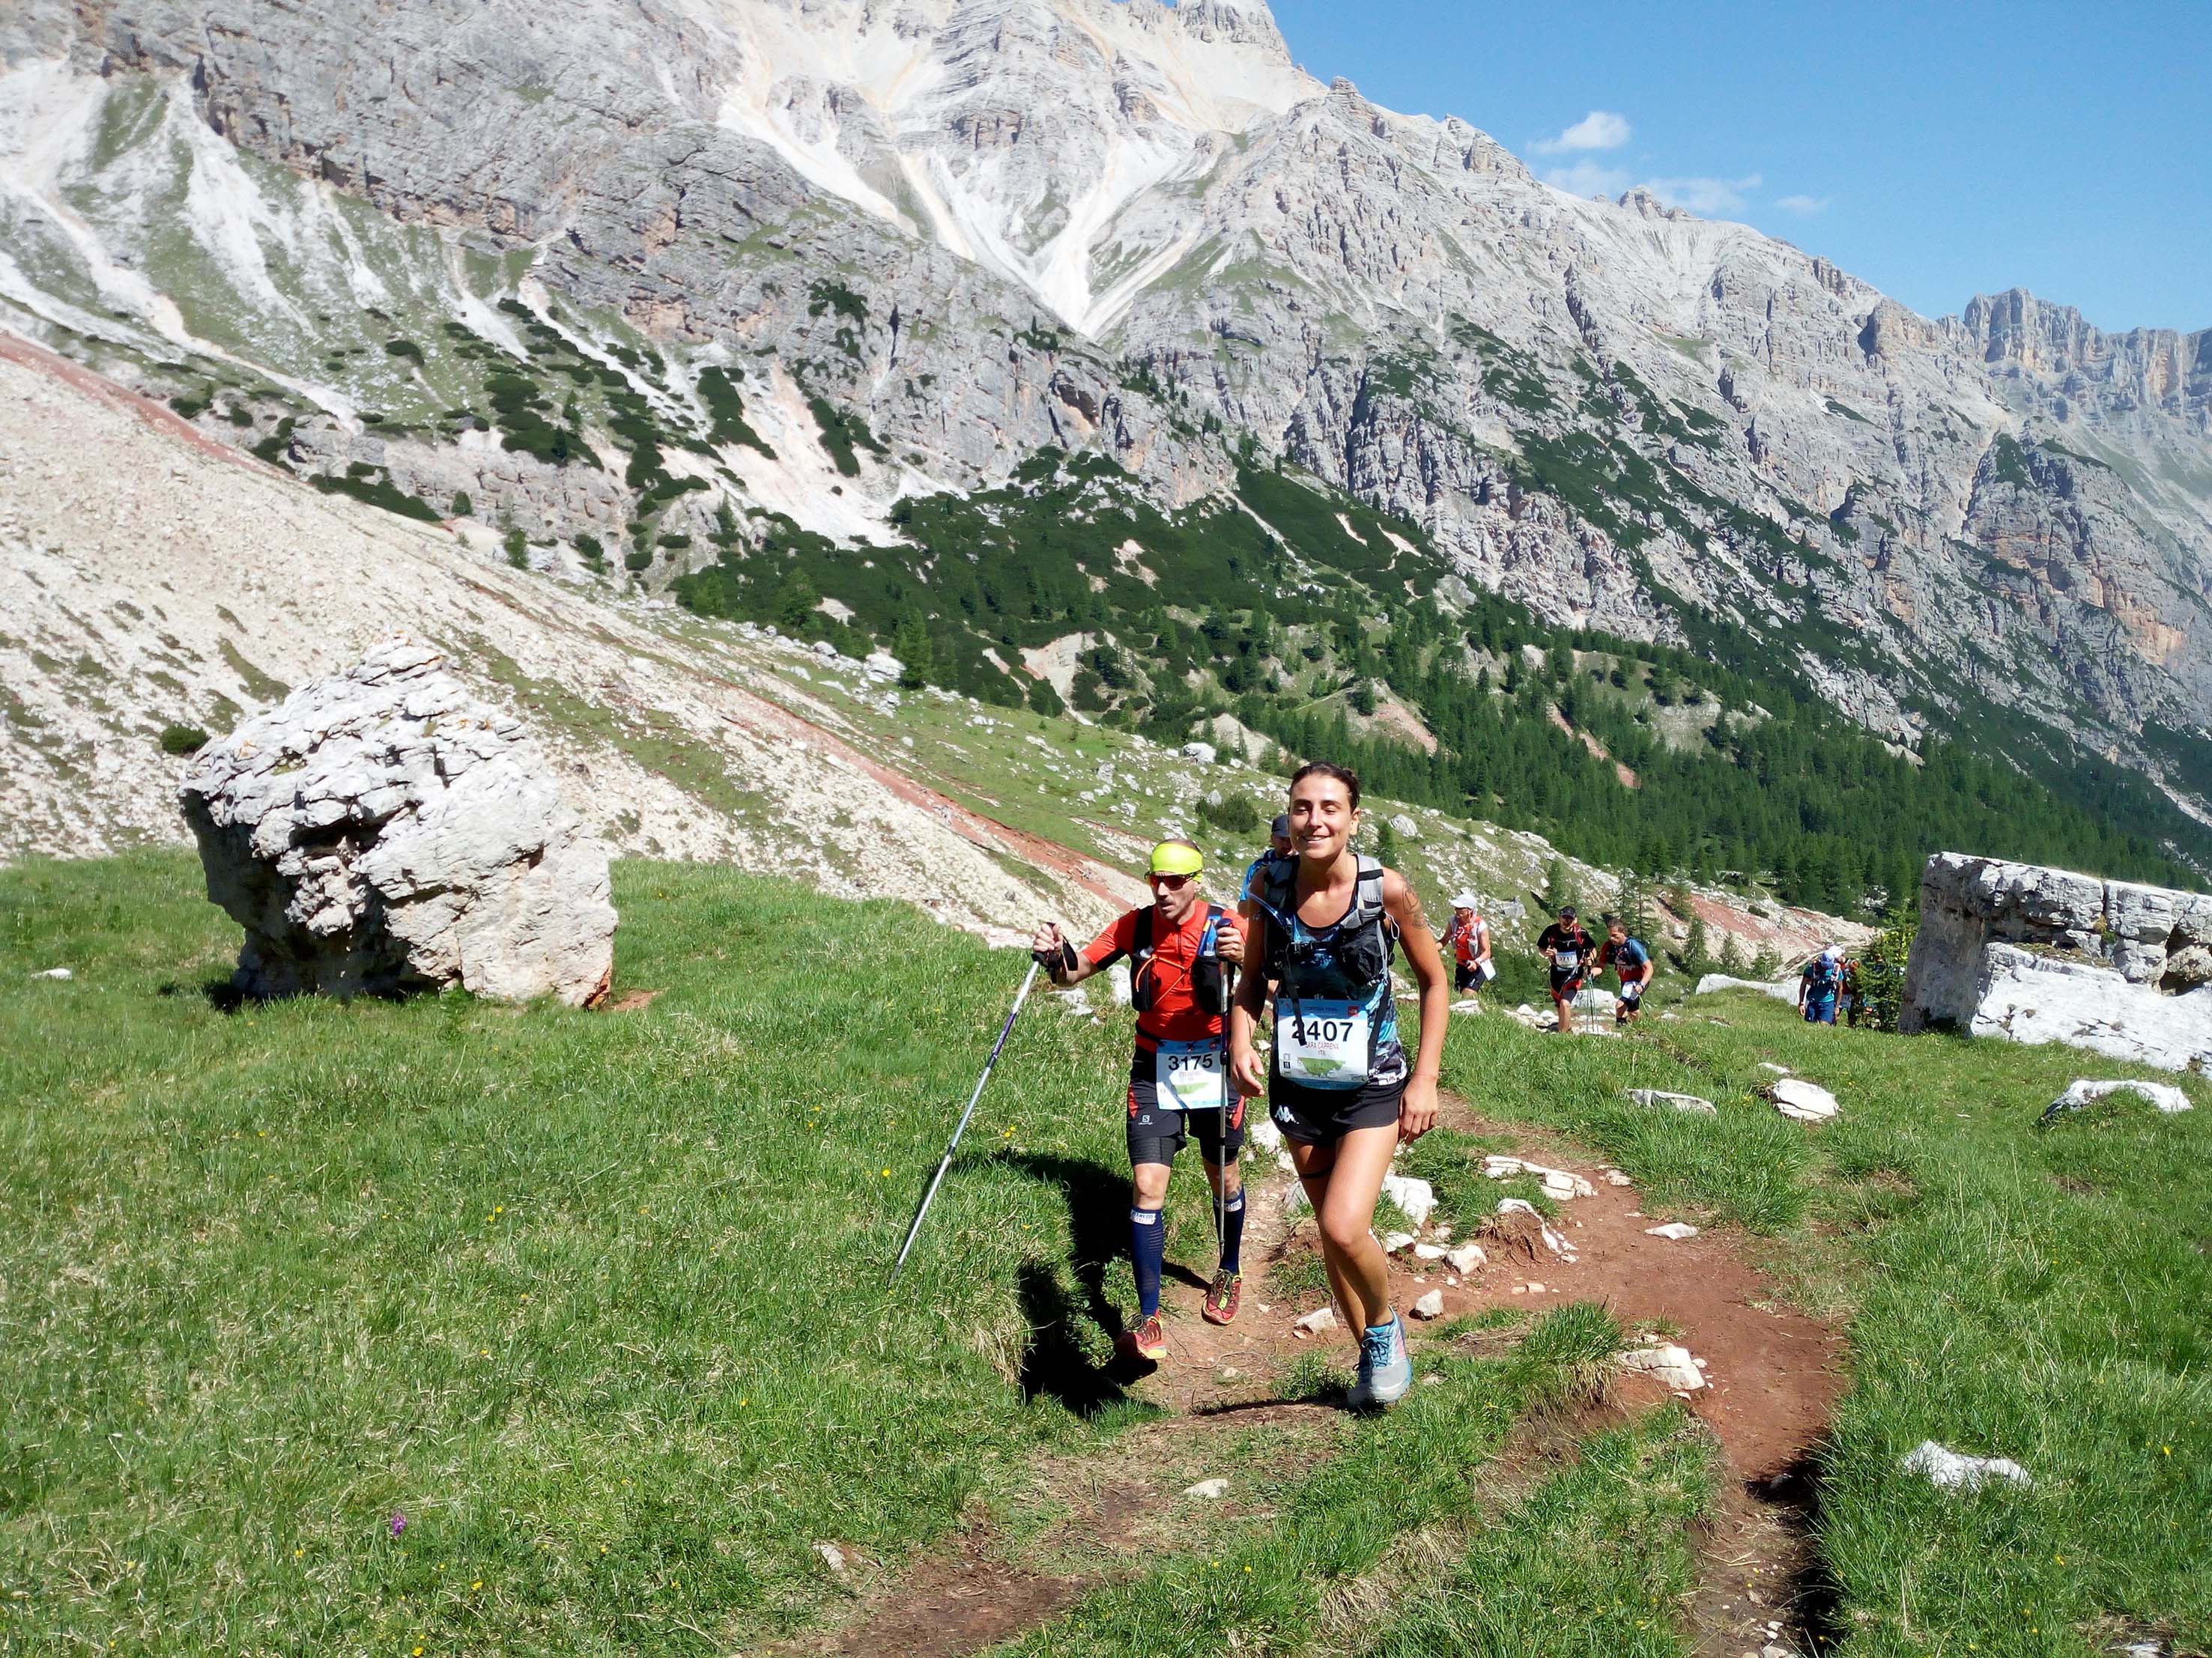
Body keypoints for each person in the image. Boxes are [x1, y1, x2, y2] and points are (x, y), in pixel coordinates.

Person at [1230, 762, 1449, 1409]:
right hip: (1299, 1085)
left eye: (1330, 807)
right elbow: (1249, 979)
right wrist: (1241, 1039)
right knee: (1331, 1237)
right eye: (1302, 808)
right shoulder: (1267, 885)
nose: (1314, 820)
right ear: (1289, 817)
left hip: (1372, 1084)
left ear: (1354, 818)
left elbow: (1435, 981)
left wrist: (1425, 1079)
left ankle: (1383, 1329)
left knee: (1343, 1224)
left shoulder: (1386, 891)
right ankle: (1371, 1368)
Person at [1031, 840, 1249, 1361]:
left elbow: (1270, 985)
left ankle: (1230, 1268)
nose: (1165, 889)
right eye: (1157, 879)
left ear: (1197, 880)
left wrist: (1245, 962)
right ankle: (1148, 1317)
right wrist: (1052, 954)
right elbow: (1073, 972)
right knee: (1148, 1185)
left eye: (1176, 880)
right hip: (1154, 1068)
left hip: (1215, 1066)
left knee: (1221, 1172)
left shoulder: (1228, 926)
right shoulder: (1135, 926)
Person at [1536, 905, 1596, 1033]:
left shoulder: (1581, 934)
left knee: (1565, 1003)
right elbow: (1541, 947)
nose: (1567, 921)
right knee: (1559, 1006)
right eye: (1564, 918)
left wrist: (1590, 959)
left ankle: (1563, 1036)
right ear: (1559, 918)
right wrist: (1546, 953)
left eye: (1570, 918)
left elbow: (1593, 950)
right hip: (1556, 974)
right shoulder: (1550, 931)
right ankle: (1566, 1029)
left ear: (1575, 920)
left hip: (1574, 974)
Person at [1238, 813, 1294, 923]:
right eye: (1282, 839)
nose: (1287, 844)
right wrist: (1260, 895)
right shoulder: (1258, 868)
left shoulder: (1305, 866)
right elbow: (1242, 911)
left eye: (1291, 839)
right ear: (1272, 839)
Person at [1597, 914, 1653, 1024]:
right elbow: (1600, 965)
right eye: (1610, 935)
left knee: (1620, 1006)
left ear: (1623, 933)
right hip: (1626, 981)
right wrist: (1592, 973)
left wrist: (1641, 985)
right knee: (1633, 1011)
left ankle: (1622, 1028)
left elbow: (1649, 968)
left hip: (1638, 982)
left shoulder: (1633, 946)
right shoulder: (1608, 946)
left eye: (1615, 936)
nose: (1611, 939)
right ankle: (1639, 1028)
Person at [1443, 893, 1493, 994]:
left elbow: (1487, 952)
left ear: (1469, 910)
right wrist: (1431, 950)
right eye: (1456, 907)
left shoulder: (1481, 926)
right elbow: (1444, 940)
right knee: (1457, 995)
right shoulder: (1453, 921)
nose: (1456, 910)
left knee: (1467, 994)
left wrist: (1476, 962)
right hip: (1461, 966)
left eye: (1460, 908)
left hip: (1478, 967)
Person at [1799, 945, 1843, 1024]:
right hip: (1813, 1001)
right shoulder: (1811, 968)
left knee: (1824, 1026)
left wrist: (1837, 1007)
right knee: (1811, 1026)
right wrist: (1801, 1003)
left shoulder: (1837, 971)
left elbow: (1840, 990)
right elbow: (1803, 985)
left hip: (1828, 1002)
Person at [1840, 953, 1865, 1026]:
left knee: (1852, 1011)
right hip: (1844, 992)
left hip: (1852, 994)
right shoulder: (1845, 971)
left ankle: (1852, 1023)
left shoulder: (1859, 975)